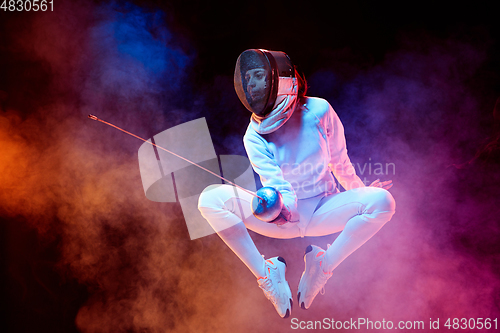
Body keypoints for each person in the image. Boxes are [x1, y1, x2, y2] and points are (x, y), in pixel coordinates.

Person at [198, 49, 395, 318]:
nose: (252, 85)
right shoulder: (253, 135)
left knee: (382, 201)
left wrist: (362, 190)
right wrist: (282, 211)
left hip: (323, 209)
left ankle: (322, 265)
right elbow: (275, 183)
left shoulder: (319, 109)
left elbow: (339, 160)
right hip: (282, 218)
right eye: (248, 79)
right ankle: (266, 273)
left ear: (282, 78)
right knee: (210, 199)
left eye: (258, 76)